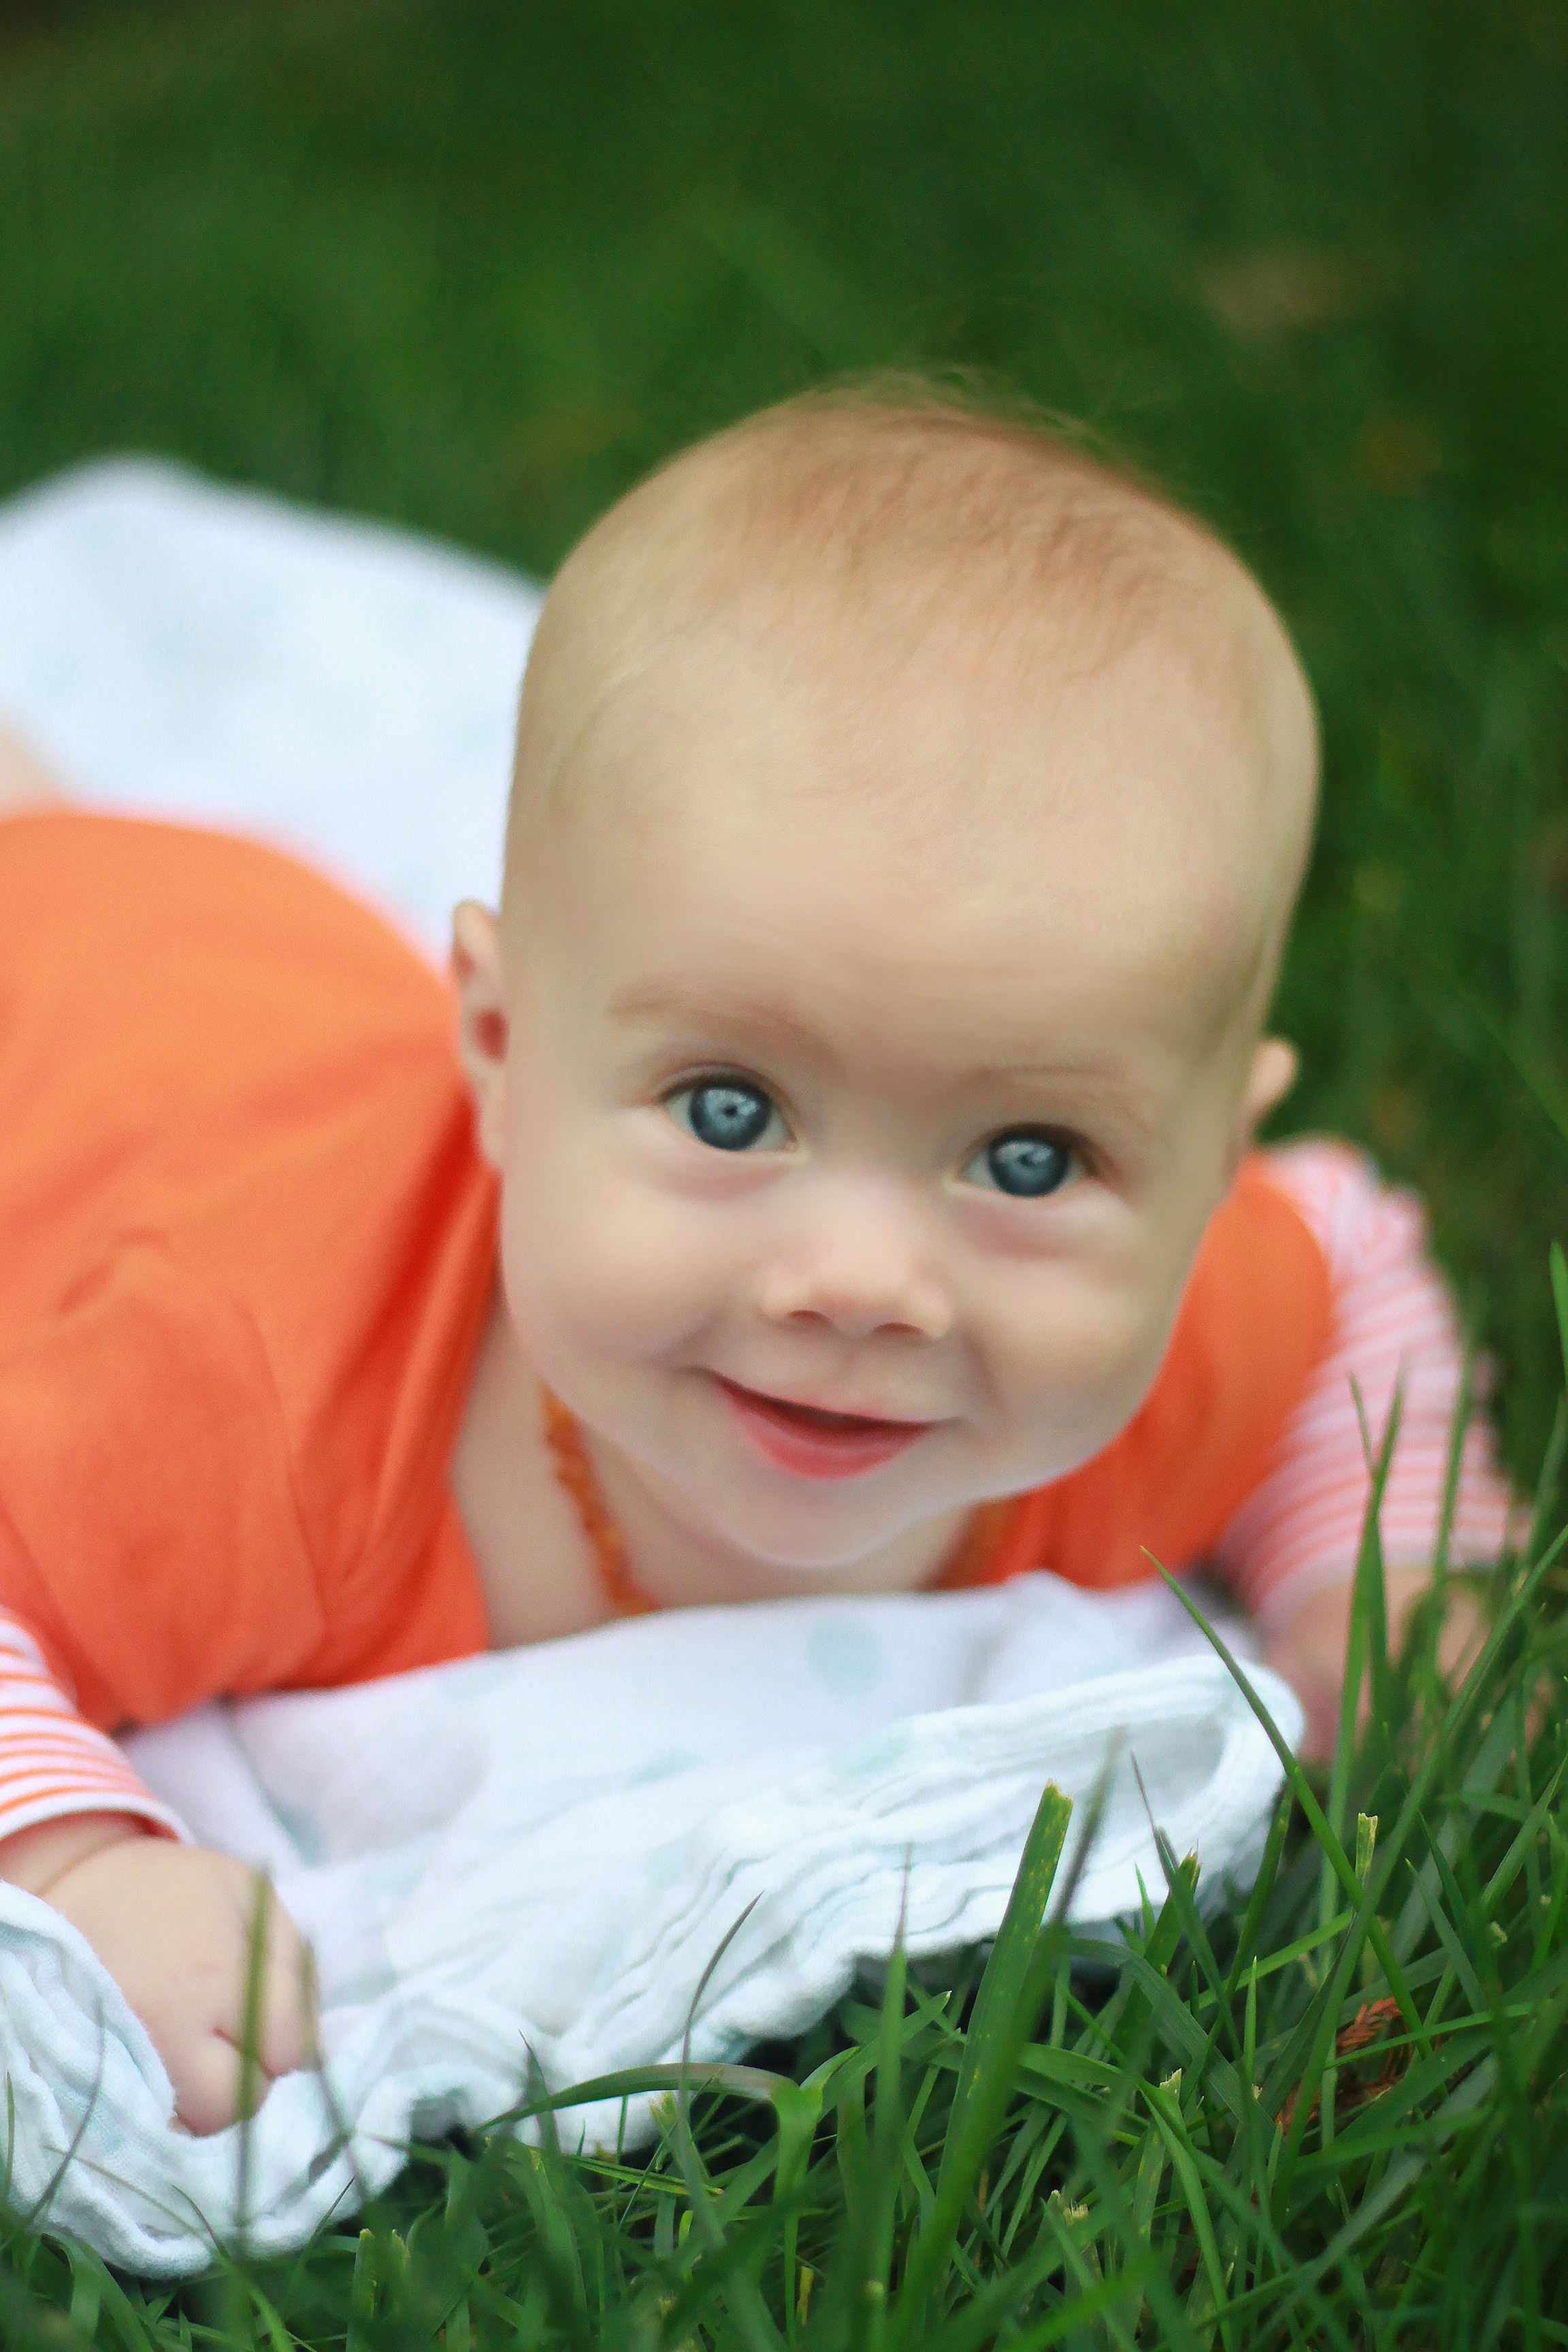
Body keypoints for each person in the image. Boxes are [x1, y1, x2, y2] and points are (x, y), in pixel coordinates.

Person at [0, 389, 1516, 2134]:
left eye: (1028, 1158)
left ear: (1206, 1166)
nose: (859, 1281)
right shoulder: (248, 1403)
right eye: (731, 1111)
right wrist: (71, 1857)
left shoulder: (1161, 1366)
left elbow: (1347, 1251)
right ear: (498, 1054)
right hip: (92, 1015)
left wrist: (1387, 1582)